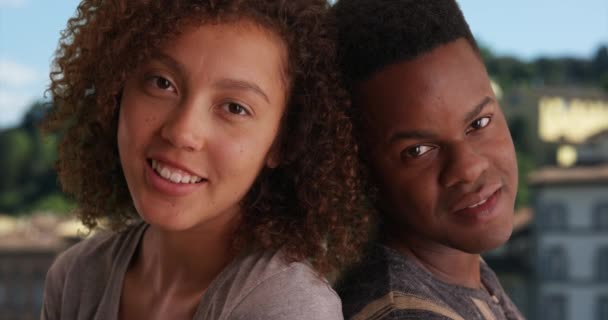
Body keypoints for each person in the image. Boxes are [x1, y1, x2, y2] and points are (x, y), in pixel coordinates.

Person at [41, 0, 373, 319]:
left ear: (282, 142)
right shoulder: (76, 278)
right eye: (162, 83)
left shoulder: (288, 307)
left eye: (234, 108)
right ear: (117, 87)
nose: (183, 131)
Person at [331, 0, 525, 319]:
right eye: (418, 151)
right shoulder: (403, 313)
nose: (468, 167)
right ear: (358, 169)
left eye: (479, 123)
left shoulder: (464, 269)